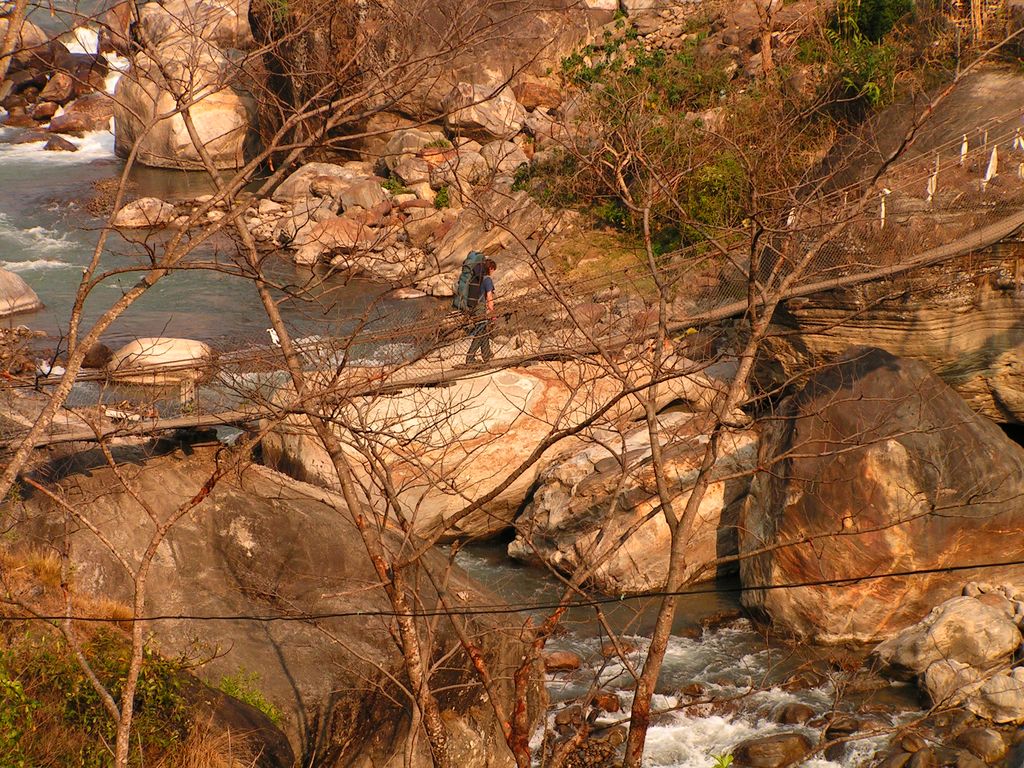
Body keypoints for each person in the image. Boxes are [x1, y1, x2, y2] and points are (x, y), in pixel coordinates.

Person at [466, 258, 496, 364]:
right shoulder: (487, 279)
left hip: (472, 307)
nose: (493, 273)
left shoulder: (477, 278)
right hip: (480, 308)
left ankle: (486, 354)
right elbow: (489, 297)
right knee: (480, 332)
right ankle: (469, 358)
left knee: (483, 330)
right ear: (490, 269)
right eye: (493, 270)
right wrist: (492, 313)